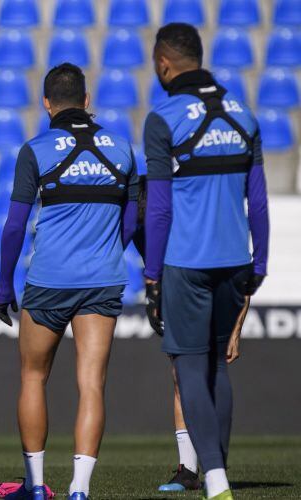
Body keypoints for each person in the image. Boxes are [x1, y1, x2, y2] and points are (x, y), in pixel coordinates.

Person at [0, 63, 139, 500]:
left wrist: (4, 286)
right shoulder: (122, 148)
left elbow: (15, 226)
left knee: (33, 377)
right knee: (91, 382)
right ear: (87, 100)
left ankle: (36, 486)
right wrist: (108, 250)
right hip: (103, 280)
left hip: (49, 282)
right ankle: (80, 488)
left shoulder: (35, 149)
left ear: (46, 103)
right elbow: (131, 219)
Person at [142, 23, 268, 500]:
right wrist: (261, 263)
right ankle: (220, 471)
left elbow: (159, 208)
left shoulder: (164, 117)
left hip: (185, 263)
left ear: (164, 64)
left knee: (189, 368)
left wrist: (152, 276)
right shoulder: (245, 114)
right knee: (218, 367)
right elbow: (256, 201)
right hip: (236, 259)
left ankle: (212, 480)